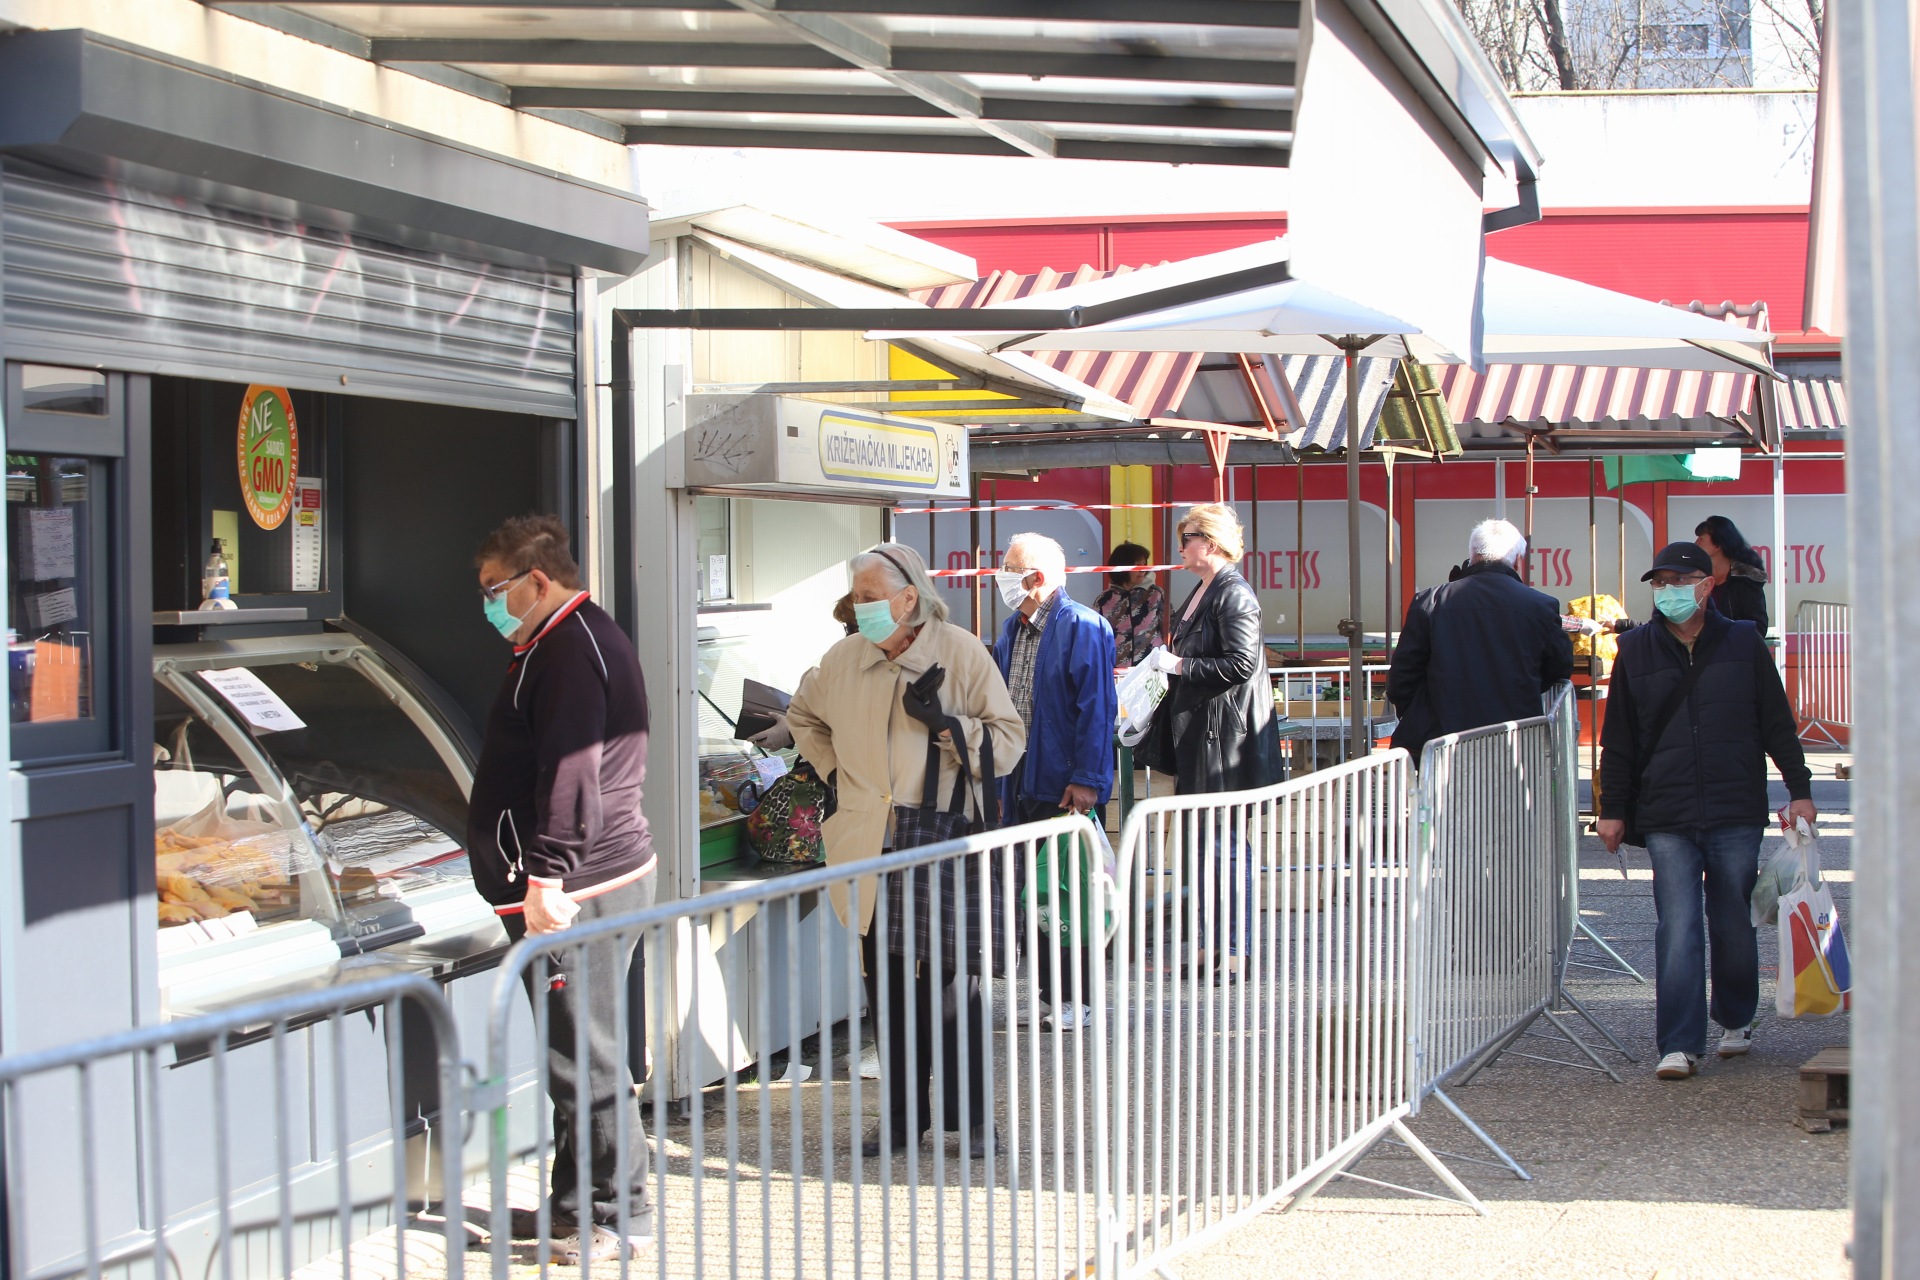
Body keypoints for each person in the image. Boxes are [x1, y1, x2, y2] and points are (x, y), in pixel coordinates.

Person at [786, 543, 1025, 1159]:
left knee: (953, 987)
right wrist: (840, 776)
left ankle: (970, 1121)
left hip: (941, 835)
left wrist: (948, 726)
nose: (858, 608)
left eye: (868, 597)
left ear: (907, 597)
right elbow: (802, 714)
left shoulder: (961, 652)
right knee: (887, 987)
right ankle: (899, 1118)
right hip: (870, 840)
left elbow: (1009, 743)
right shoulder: (843, 659)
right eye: (857, 596)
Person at [465, 514, 657, 1263]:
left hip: (578, 888)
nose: (486, 604)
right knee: (573, 1052)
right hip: (585, 881)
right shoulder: (558, 641)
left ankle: (620, 1213)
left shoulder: (570, 651)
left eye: (494, 589)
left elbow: (573, 774)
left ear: (537, 580)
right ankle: (576, 1204)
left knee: (587, 1053)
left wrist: (547, 875)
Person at [1597, 541, 1815, 1081]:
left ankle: (1736, 1018)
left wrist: (1800, 787)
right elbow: (1619, 738)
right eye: (1659, 582)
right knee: (1678, 926)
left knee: (1732, 922)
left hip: (1734, 807)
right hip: (1666, 811)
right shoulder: (1636, 650)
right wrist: (1613, 808)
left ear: (1706, 584)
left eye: (1678, 580)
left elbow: (1776, 725)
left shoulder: (1742, 642)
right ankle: (1678, 1042)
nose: (1668, 591)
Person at [1139, 503, 1285, 976]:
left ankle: (1235, 950)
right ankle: (1208, 946)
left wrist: (1179, 665)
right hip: (1203, 737)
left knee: (1222, 848)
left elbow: (1241, 663)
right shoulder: (1204, 590)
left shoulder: (1233, 593)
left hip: (1223, 742)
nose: (1180, 547)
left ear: (1212, 542)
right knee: (1203, 849)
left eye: (1187, 538)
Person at [991, 532, 1118, 1030]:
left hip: (1065, 786)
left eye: (1008, 567)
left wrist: (1088, 780)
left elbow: (1097, 711)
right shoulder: (1012, 629)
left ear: (1035, 576)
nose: (1001, 576)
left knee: (1072, 895)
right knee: (1033, 895)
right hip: (1022, 780)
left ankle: (1079, 999)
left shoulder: (1084, 626)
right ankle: (1049, 995)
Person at [1387, 519, 1574, 761]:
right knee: (1507, 799)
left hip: (1439, 741)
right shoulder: (1540, 605)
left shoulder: (1430, 601)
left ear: (1472, 555)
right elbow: (1558, 667)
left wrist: (1419, 714)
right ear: (1518, 560)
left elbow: (1403, 676)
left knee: (1440, 800)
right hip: (1513, 738)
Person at [1094, 541, 1165, 668]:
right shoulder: (1103, 600)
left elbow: (1170, 627)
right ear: (1122, 566)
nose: (1142, 569)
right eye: (1137, 565)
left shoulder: (1156, 594)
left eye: (1144, 564)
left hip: (1150, 670)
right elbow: (1095, 637)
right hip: (1115, 671)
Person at [1695, 514, 1771, 630]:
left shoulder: (1746, 579)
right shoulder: (1696, 578)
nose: (1696, 543)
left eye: (1701, 539)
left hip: (1737, 646)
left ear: (1717, 545)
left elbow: (1758, 626)